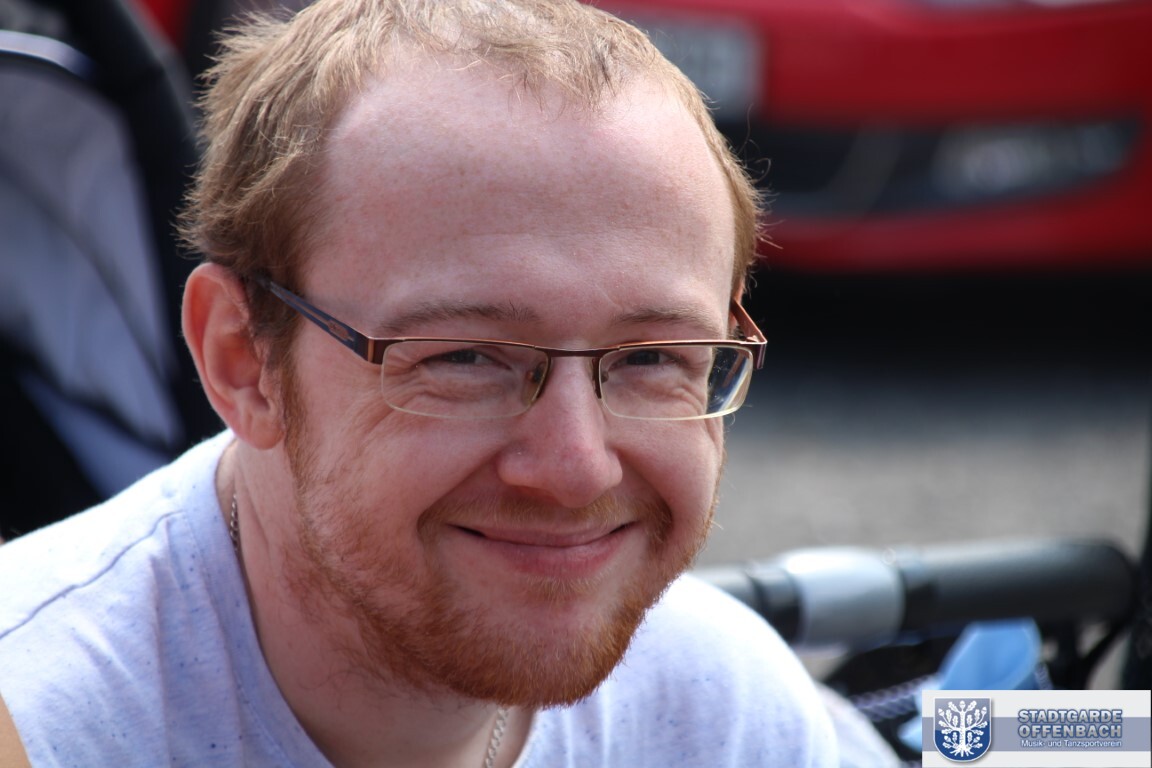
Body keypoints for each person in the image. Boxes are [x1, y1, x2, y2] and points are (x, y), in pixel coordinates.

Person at [0, 0, 839, 765]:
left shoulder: (721, 715)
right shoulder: (40, 724)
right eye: (464, 358)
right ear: (243, 361)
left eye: (653, 358)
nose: (577, 468)